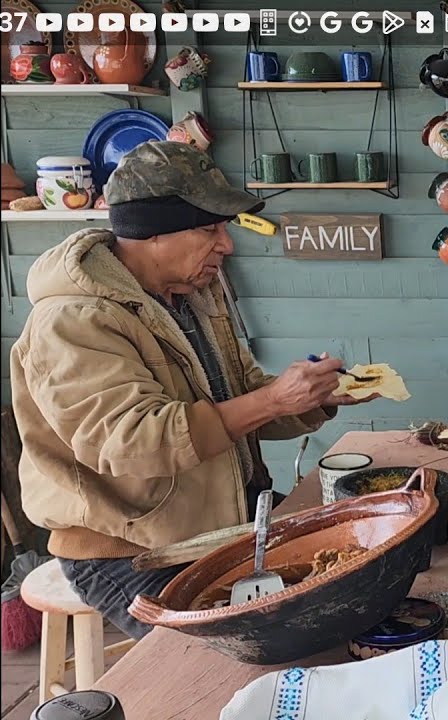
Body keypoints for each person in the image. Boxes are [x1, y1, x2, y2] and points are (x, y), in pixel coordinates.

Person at [9, 141, 377, 639]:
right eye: (209, 229)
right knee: (245, 652)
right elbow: (132, 442)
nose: (226, 245)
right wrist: (272, 399)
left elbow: (242, 395)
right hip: (134, 549)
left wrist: (314, 398)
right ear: (151, 233)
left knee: (355, 573)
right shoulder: (73, 321)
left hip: (228, 517)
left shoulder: (193, 293)